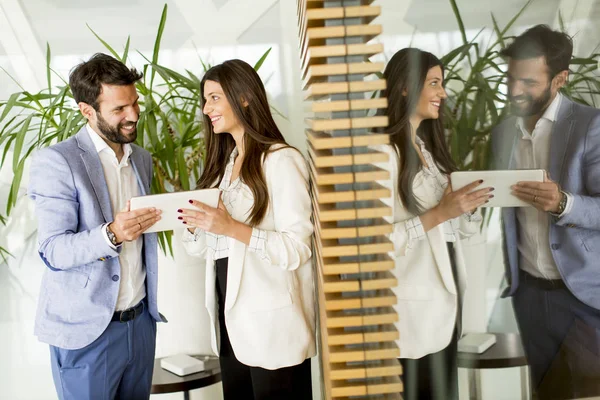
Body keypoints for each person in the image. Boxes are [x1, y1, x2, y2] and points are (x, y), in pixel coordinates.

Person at [28, 53, 164, 400]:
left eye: (134, 103)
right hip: (86, 332)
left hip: (141, 325)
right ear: (87, 111)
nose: (133, 115)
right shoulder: (57, 161)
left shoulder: (142, 159)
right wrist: (112, 233)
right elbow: (53, 249)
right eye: (119, 109)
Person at [179, 59, 315, 400]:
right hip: (229, 322)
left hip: (273, 327)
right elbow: (197, 249)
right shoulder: (221, 170)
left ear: (243, 97)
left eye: (214, 98)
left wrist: (230, 227)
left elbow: (298, 249)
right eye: (205, 100)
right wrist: (195, 224)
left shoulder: (282, 161)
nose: (206, 109)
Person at [375, 48, 492, 400]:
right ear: (406, 87)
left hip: (443, 302)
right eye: (435, 83)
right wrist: (441, 212)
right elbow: (375, 244)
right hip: (408, 312)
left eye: (442, 84)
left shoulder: (428, 150)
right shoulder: (382, 156)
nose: (443, 93)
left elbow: (452, 228)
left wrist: (468, 206)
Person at [493, 24, 600, 399]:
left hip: (584, 295)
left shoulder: (592, 126)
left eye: (528, 82)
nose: (515, 91)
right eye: (510, 80)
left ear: (560, 79)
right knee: (546, 393)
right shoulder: (503, 131)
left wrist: (563, 203)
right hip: (529, 294)